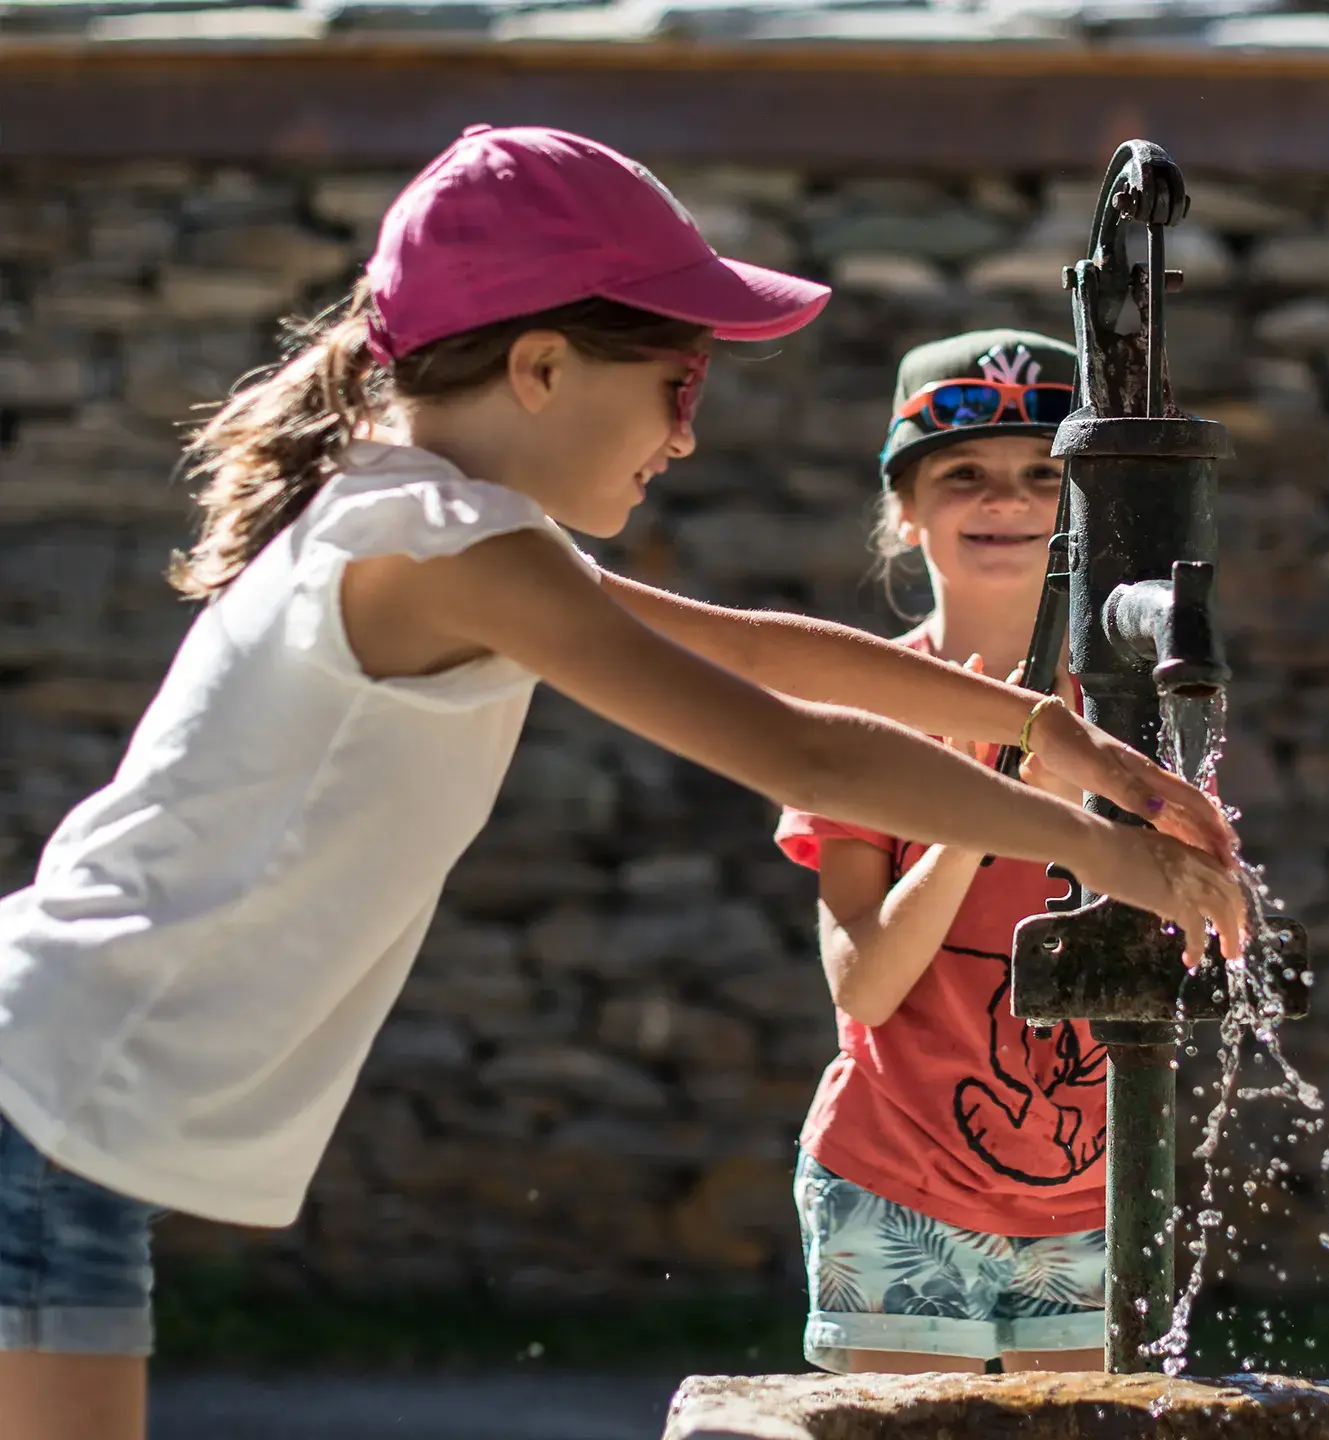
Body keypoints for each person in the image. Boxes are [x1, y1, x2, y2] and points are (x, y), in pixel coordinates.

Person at [0, 129, 1241, 1440]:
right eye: (677, 382)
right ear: (542, 367)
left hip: (58, 1091)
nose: (689, 437)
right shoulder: (437, 542)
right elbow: (800, 747)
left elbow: (760, 645)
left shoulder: (431, 516)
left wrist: (1062, 737)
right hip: (52, 1093)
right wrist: (1104, 852)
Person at [781, 331, 1120, 1377]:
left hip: (1100, 1195)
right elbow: (868, 985)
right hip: (891, 1182)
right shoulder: (856, 711)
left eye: (1042, 475)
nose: (1006, 500)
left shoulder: (1141, 722)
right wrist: (985, 812)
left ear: (1086, 508)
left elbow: (1188, 957)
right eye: (963, 473)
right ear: (905, 509)